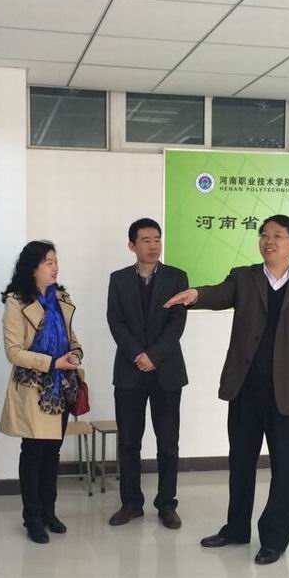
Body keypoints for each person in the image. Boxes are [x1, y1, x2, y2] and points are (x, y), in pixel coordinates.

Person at [164, 215, 289, 565]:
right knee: (241, 462)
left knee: (284, 467)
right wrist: (196, 295)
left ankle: (274, 538)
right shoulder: (244, 277)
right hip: (245, 388)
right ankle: (236, 528)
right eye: (264, 235)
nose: (269, 241)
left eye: (278, 236)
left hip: (286, 393)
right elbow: (218, 293)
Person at [0, 241, 84, 544]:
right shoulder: (16, 302)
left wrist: (76, 353)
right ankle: (32, 517)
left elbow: (72, 338)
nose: (55, 267)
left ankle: (49, 512)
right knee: (33, 453)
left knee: (52, 453)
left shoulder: (62, 298)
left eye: (56, 261)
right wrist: (51, 363)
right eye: (48, 262)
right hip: (34, 387)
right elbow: (13, 352)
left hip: (61, 387)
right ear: (32, 268)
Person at [106, 218, 188, 529]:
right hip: (130, 372)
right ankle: (131, 503)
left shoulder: (177, 277)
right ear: (132, 245)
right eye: (145, 240)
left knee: (168, 443)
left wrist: (153, 355)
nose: (153, 246)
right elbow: (115, 321)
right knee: (129, 442)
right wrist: (137, 355)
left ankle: (167, 504)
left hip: (167, 371)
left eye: (157, 239)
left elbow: (177, 323)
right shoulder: (118, 279)